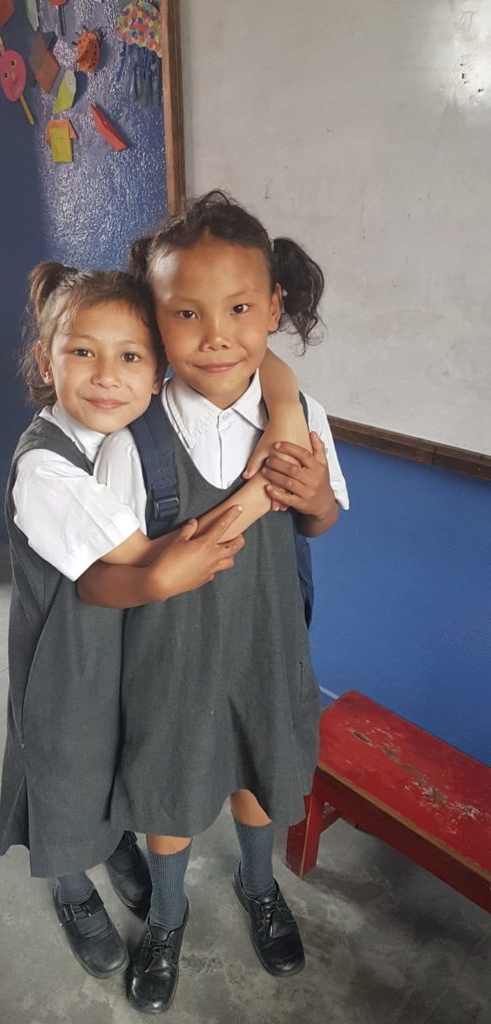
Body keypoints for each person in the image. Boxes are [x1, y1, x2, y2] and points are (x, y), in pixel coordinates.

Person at [0, 259, 311, 982]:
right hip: (66, 654)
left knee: (115, 754)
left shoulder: (121, 435)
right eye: (83, 352)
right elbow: (148, 562)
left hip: (119, 640)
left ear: (158, 367)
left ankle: (116, 846)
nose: (108, 376)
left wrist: (286, 404)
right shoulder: (46, 467)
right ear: (45, 361)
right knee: (64, 771)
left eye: (131, 357)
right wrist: (263, 491)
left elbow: (269, 363)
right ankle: (73, 889)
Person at [80, 191, 349, 1014]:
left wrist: (312, 496)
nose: (217, 335)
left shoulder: (301, 416)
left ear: (272, 307)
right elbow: (98, 574)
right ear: (154, 319)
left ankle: (260, 886)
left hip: (266, 646)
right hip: (171, 660)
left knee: (259, 779)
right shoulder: (134, 436)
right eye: (186, 313)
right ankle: (167, 915)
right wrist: (163, 573)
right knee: (169, 794)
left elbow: (322, 520)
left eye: (238, 308)